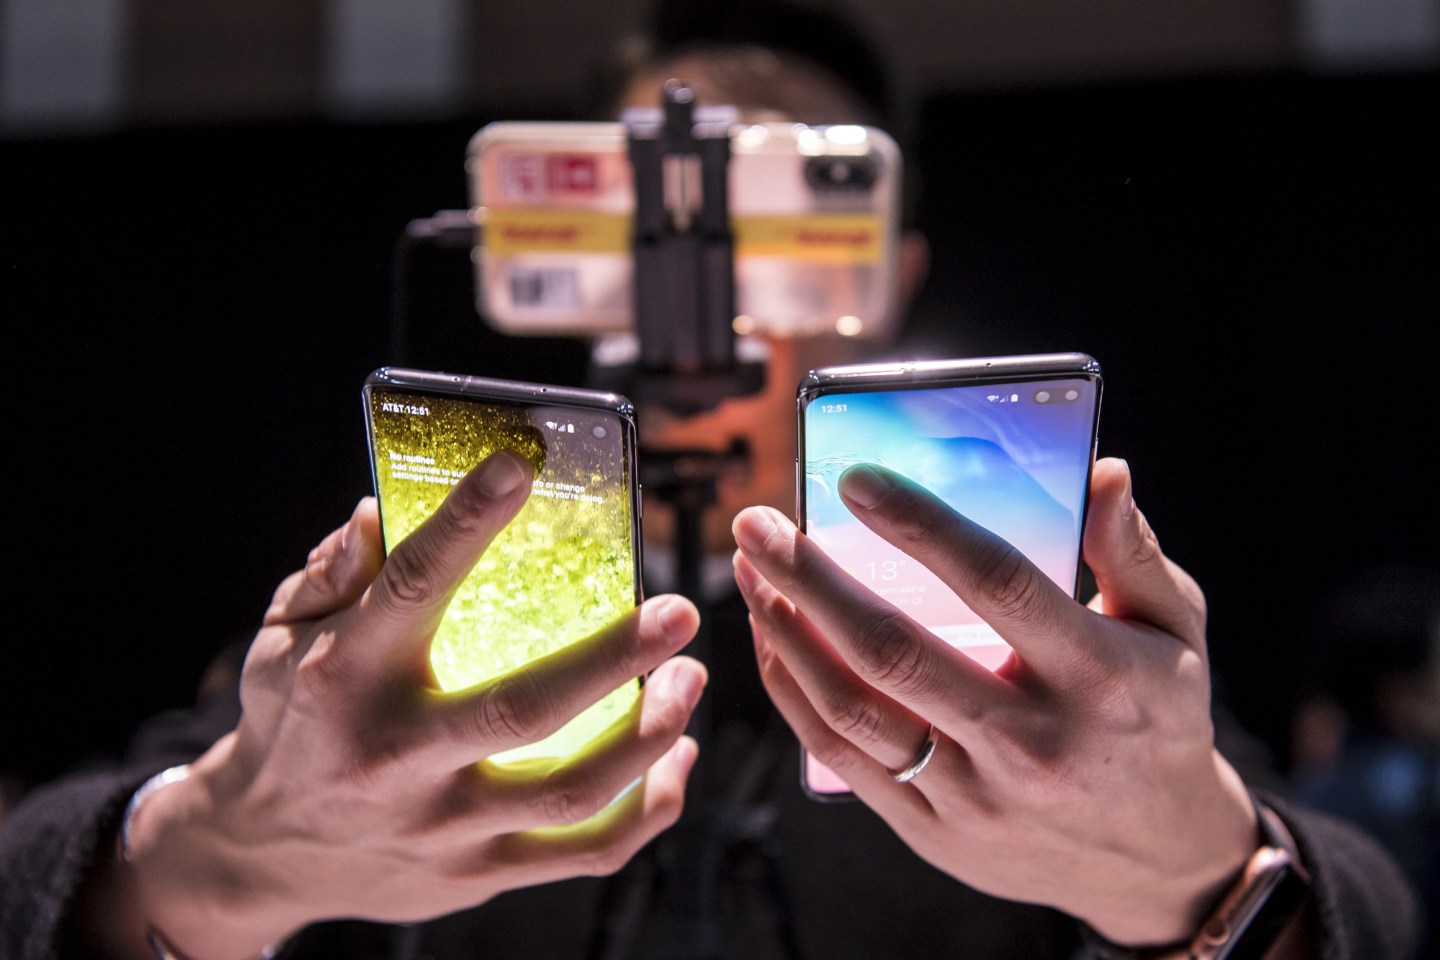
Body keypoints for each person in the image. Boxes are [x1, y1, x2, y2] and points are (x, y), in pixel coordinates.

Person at [0, 2, 1424, 959]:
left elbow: (1365, 906)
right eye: (664, 215)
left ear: (889, 271)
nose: (719, 278)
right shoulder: (452, 593)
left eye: (787, 212)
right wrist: (206, 850)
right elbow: (46, 866)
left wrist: (1204, 871)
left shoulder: (1000, 598)